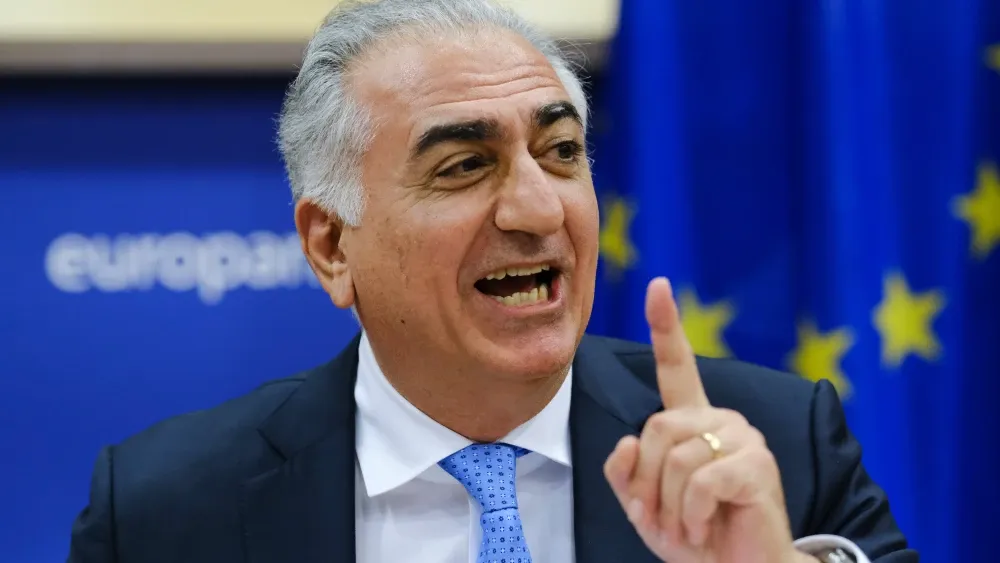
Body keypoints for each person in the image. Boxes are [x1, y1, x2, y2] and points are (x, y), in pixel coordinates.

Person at [67, 0, 917, 562]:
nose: (537, 209)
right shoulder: (162, 513)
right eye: (466, 164)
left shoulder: (775, 449)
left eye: (561, 153)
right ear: (330, 244)